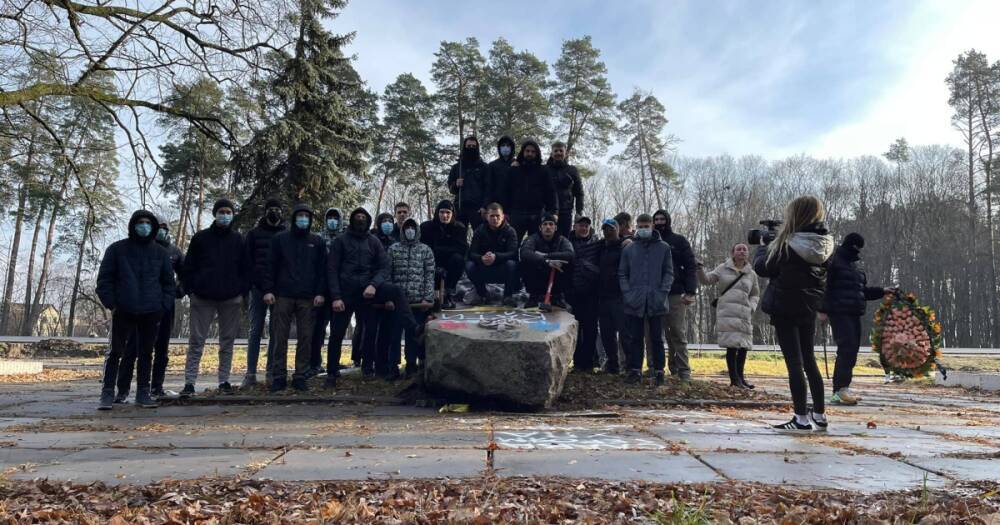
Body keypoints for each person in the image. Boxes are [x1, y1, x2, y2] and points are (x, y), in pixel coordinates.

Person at [754, 195, 834, 431]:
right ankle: (819, 414)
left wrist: (762, 247)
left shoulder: (787, 245)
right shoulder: (826, 244)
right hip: (809, 307)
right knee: (809, 360)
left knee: (794, 363)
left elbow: (763, 268)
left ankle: (800, 417)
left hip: (785, 306)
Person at [96, 210, 176, 410]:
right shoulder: (117, 249)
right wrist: (112, 303)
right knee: (116, 352)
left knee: (146, 353)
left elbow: (168, 283)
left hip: (151, 312)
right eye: (140, 222)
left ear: (154, 227)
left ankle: (143, 392)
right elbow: (105, 280)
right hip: (123, 309)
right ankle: (107, 392)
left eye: (148, 223)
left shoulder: (161, 254)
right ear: (133, 225)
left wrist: (162, 306)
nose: (144, 226)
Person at [327, 208, 417, 383]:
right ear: (352, 220)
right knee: (337, 333)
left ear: (368, 221)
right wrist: (336, 296)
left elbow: (384, 267)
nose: (360, 220)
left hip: (368, 292)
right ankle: (332, 372)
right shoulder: (340, 241)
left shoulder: (373, 241)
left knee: (392, 297)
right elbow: (331, 269)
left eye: (363, 217)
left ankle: (413, 329)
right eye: (357, 217)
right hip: (345, 293)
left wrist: (374, 285)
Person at [180, 198, 249, 397]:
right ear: (215, 213)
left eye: (228, 212)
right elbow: (188, 267)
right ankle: (190, 382)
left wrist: (241, 291)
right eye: (222, 211)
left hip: (231, 298)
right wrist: (191, 289)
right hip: (202, 298)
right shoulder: (200, 238)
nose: (225, 215)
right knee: (196, 341)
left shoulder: (238, 240)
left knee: (227, 341)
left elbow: (246, 269)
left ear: (233, 215)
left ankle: (224, 380)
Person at [115, 216, 185, 401]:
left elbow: (185, 275)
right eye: (158, 227)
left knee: (161, 349)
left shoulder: (174, 252)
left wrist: (177, 293)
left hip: (164, 307)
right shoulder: (142, 250)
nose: (160, 230)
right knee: (132, 348)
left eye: (164, 227)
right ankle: (122, 390)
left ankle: (155, 387)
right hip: (140, 306)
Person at [262, 204, 327, 392]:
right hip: (282, 296)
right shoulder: (280, 239)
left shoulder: (317, 242)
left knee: (306, 337)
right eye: (300, 215)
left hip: (308, 298)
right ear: (294, 218)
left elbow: (322, 270)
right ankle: (279, 376)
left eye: (307, 216)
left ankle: (300, 375)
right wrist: (268, 290)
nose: (303, 219)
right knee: (279, 337)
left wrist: (320, 293)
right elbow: (270, 266)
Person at [821, 233, 891, 405]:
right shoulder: (833, 262)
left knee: (852, 351)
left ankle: (844, 387)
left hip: (854, 312)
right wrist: (821, 309)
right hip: (839, 311)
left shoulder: (855, 267)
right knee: (846, 349)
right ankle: (839, 390)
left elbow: (862, 292)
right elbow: (823, 286)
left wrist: (883, 291)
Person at [619, 214, 673, 385]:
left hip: (656, 300)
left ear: (652, 226)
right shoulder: (629, 249)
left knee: (657, 338)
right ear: (637, 226)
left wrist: (662, 293)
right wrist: (628, 294)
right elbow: (622, 273)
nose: (643, 229)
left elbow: (668, 273)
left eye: (646, 226)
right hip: (634, 301)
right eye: (640, 226)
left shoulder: (664, 248)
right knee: (635, 338)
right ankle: (634, 370)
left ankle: (658, 371)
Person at [698, 243, 761, 389]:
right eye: (738, 249)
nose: (741, 251)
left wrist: (751, 307)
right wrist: (699, 269)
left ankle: (741, 378)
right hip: (727, 313)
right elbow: (706, 280)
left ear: (747, 253)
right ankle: (734, 380)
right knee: (732, 347)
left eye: (744, 249)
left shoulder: (751, 273)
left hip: (744, 314)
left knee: (744, 347)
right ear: (732, 253)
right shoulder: (722, 268)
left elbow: (755, 294)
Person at [241, 198, 286, 388]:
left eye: (277, 209)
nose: (274, 212)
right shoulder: (253, 234)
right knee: (255, 330)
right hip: (257, 289)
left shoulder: (286, 234)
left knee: (276, 332)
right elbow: (247, 262)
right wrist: (256, 284)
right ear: (265, 212)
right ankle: (250, 373)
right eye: (270, 209)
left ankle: (271, 371)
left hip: (279, 290)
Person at [386, 218, 436, 378]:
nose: (409, 230)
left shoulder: (425, 250)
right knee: (393, 336)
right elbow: (387, 275)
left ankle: (411, 366)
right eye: (406, 227)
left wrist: (427, 298)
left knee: (412, 336)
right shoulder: (393, 249)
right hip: (397, 303)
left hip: (417, 302)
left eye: (412, 227)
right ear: (402, 230)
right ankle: (392, 368)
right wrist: (388, 298)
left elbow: (429, 275)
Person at [653, 210, 698, 381]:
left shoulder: (679, 241)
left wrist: (691, 291)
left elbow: (690, 266)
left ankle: (683, 371)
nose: (659, 222)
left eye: (662, 219)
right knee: (656, 334)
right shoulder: (650, 242)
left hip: (675, 293)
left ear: (668, 220)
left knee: (677, 332)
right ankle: (656, 369)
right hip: (655, 293)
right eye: (656, 219)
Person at [308, 207, 344, 377]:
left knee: (337, 330)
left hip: (339, 290)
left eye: (335, 218)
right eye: (329, 217)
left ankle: (333, 363)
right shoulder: (317, 238)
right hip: (321, 290)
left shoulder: (345, 238)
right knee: (318, 328)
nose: (332, 220)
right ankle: (314, 363)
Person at [466, 202, 520, 307]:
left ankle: (508, 296)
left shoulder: (510, 231)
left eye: (497, 216)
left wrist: (496, 257)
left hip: (502, 268)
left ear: (503, 216)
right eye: (492, 216)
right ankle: (483, 294)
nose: (495, 219)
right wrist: (481, 258)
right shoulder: (479, 231)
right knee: (469, 265)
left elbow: (513, 253)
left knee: (512, 264)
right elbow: (471, 253)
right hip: (484, 267)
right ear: (486, 216)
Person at [504, 139, 558, 242]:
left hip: (537, 214)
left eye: (533, 152)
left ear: (537, 154)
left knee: (536, 244)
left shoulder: (544, 171)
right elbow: (506, 192)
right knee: (513, 243)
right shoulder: (513, 170)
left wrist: (554, 211)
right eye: (527, 151)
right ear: (523, 152)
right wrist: (506, 212)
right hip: (516, 214)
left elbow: (551, 192)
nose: (530, 154)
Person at [420, 200, 468, 310]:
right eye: (442, 212)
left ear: (452, 214)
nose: (444, 215)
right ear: (437, 213)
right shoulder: (426, 227)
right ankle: (431, 295)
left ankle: (448, 293)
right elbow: (424, 248)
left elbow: (462, 248)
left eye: (447, 213)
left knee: (459, 259)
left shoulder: (459, 227)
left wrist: (439, 249)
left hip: (450, 262)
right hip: (431, 261)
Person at [567, 216, 601, 371]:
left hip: (591, 293)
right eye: (581, 225)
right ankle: (577, 362)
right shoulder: (566, 242)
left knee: (590, 330)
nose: (584, 228)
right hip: (572, 293)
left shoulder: (597, 243)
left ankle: (589, 363)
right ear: (575, 226)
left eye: (586, 225)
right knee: (575, 330)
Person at [519, 214, 574, 308]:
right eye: (545, 224)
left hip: (556, 274)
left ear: (555, 227)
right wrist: (546, 261)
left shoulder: (562, 240)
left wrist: (548, 256)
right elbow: (525, 253)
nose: (548, 227)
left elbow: (570, 254)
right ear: (540, 227)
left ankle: (558, 297)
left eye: (551, 224)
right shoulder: (533, 238)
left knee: (569, 264)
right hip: (538, 275)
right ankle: (534, 297)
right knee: (526, 262)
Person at [597, 219, 631, 375]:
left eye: (610, 229)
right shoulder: (600, 247)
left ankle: (630, 366)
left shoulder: (625, 246)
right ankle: (613, 365)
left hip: (620, 296)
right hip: (603, 296)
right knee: (606, 334)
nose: (607, 232)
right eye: (605, 229)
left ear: (617, 230)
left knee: (625, 334)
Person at [447, 136, 490, 231]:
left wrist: (484, 206)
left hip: (478, 208)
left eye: (473, 146)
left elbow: (488, 189)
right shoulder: (457, 167)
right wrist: (455, 184)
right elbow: (451, 189)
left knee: (481, 236)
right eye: (468, 146)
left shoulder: (484, 167)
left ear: (477, 148)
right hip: (460, 207)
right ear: (464, 147)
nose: (471, 148)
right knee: (459, 235)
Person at [547, 142, 584, 238]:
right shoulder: (545, 170)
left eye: (561, 151)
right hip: (548, 212)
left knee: (564, 240)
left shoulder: (572, 170)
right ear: (551, 153)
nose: (558, 153)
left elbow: (579, 193)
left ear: (566, 153)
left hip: (566, 212)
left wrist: (579, 212)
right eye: (555, 151)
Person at [488, 135, 516, 208]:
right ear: (499, 148)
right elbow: (488, 187)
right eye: (503, 145)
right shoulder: (492, 165)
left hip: (515, 206)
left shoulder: (518, 164)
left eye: (508, 145)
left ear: (512, 148)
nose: (505, 147)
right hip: (496, 206)